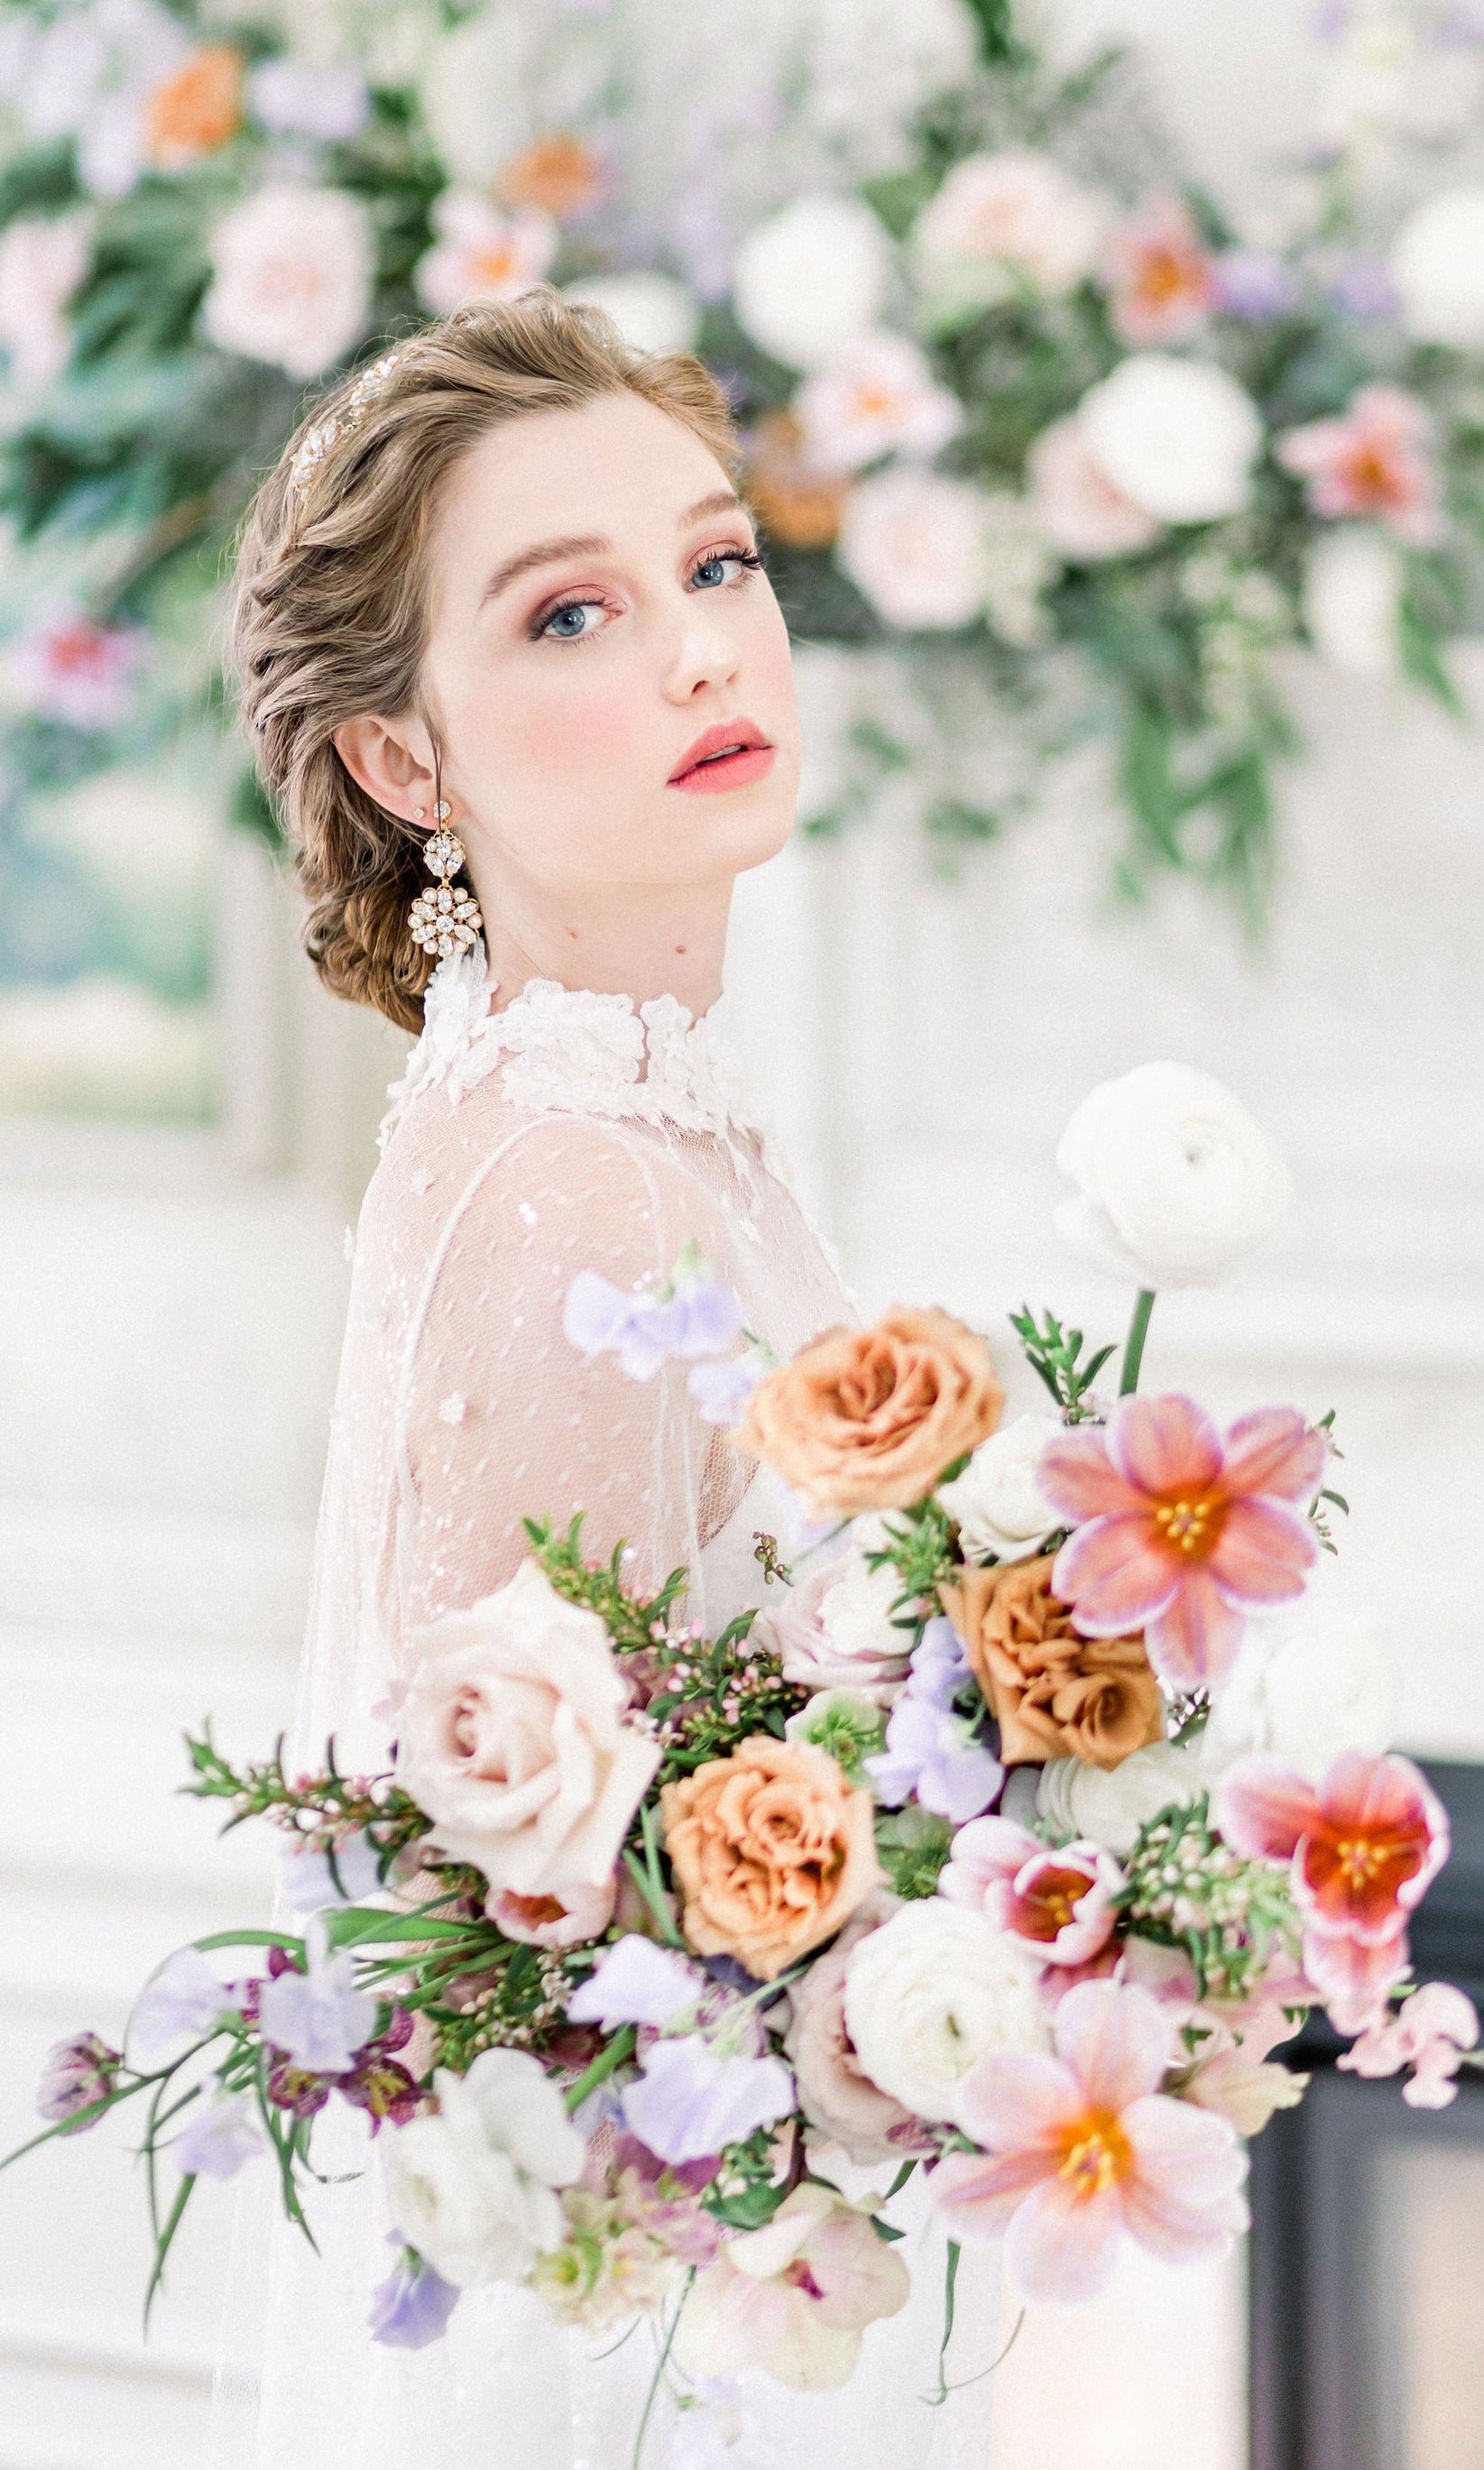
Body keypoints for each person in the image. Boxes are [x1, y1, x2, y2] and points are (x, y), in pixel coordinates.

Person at [210, 293, 995, 2470]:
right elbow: (521, 1970)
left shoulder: (631, 1114)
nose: (700, 654)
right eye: (571, 613)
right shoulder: (572, 1185)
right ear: (404, 762)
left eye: (717, 563)